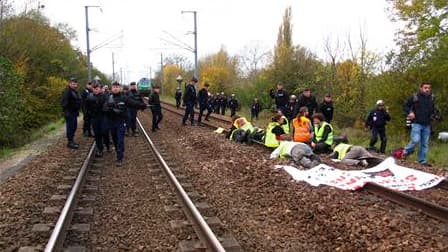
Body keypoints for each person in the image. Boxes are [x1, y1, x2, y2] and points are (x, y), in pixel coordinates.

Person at [104, 82, 146, 166]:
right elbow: (104, 108)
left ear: (120, 88)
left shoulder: (124, 97)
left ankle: (120, 157)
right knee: (115, 139)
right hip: (111, 122)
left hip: (120, 122)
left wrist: (142, 105)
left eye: (117, 87)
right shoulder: (108, 97)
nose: (115, 88)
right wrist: (111, 109)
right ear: (111, 88)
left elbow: (133, 103)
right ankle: (119, 150)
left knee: (120, 140)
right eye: (114, 87)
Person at [401, 82, 436, 165]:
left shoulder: (432, 98)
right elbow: (406, 106)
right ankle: (406, 151)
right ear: (421, 88)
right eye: (425, 87)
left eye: (428, 88)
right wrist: (410, 112)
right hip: (416, 123)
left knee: (424, 144)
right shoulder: (415, 97)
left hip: (427, 124)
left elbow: (433, 110)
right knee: (415, 140)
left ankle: (422, 160)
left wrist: (434, 116)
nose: (427, 89)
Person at [85, 83, 108, 157]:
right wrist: (88, 115)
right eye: (94, 89)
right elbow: (86, 107)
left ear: (100, 89)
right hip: (94, 118)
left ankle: (107, 144)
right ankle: (100, 149)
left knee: (104, 132)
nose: (95, 90)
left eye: (97, 88)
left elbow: (108, 106)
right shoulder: (89, 97)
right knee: (97, 134)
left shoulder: (105, 97)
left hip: (103, 117)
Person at [61, 77, 82, 149]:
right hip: (69, 112)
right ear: (69, 84)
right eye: (72, 83)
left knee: (74, 126)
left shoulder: (75, 91)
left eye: (75, 83)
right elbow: (64, 102)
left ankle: (72, 140)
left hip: (74, 112)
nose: (74, 85)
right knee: (70, 127)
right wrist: (66, 112)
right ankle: (70, 142)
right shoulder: (67, 91)